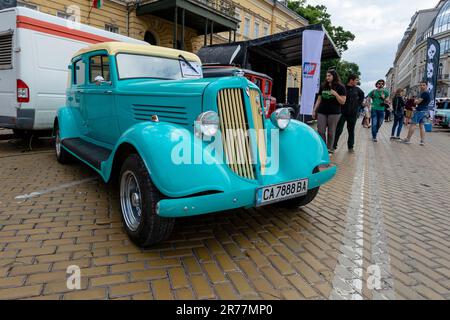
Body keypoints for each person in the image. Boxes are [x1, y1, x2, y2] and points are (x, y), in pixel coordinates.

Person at [312, 70, 347, 154]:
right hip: (322, 111)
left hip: (334, 113)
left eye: (329, 76)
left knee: (331, 132)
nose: (327, 77)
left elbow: (343, 102)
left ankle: (329, 149)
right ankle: (323, 148)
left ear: (334, 76)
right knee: (320, 130)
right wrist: (314, 110)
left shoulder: (341, 87)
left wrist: (335, 94)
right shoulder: (323, 86)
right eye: (326, 76)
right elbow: (319, 99)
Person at [333, 74, 365, 153]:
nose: (357, 81)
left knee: (351, 130)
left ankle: (350, 147)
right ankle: (333, 146)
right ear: (351, 80)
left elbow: (362, 95)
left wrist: (358, 104)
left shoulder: (357, 89)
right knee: (338, 130)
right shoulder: (343, 88)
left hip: (353, 113)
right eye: (356, 80)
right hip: (342, 113)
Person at [401, 81, 431, 146]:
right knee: (422, 126)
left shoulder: (424, 93)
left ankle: (408, 139)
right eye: (421, 85)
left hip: (419, 111)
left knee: (413, 125)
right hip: (425, 111)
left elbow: (417, 102)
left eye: (423, 85)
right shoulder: (428, 93)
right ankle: (422, 141)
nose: (422, 86)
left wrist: (415, 101)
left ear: (426, 86)